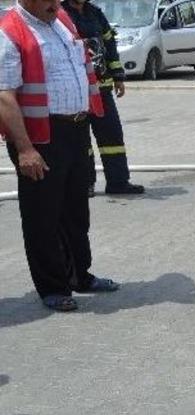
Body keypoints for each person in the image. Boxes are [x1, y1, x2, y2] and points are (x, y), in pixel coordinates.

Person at [0, 0, 120, 312]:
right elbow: (4, 94)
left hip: (76, 128)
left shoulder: (61, 20)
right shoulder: (9, 30)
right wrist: (25, 149)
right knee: (43, 215)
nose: (57, 4)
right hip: (41, 137)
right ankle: (53, 286)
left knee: (76, 211)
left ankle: (80, 275)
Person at [61, 0, 144, 196]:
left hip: (102, 88)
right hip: (78, 89)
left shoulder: (95, 13)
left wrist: (118, 76)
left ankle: (118, 182)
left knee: (112, 136)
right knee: (82, 141)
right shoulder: (60, 13)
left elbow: (109, 44)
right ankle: (84, 184)